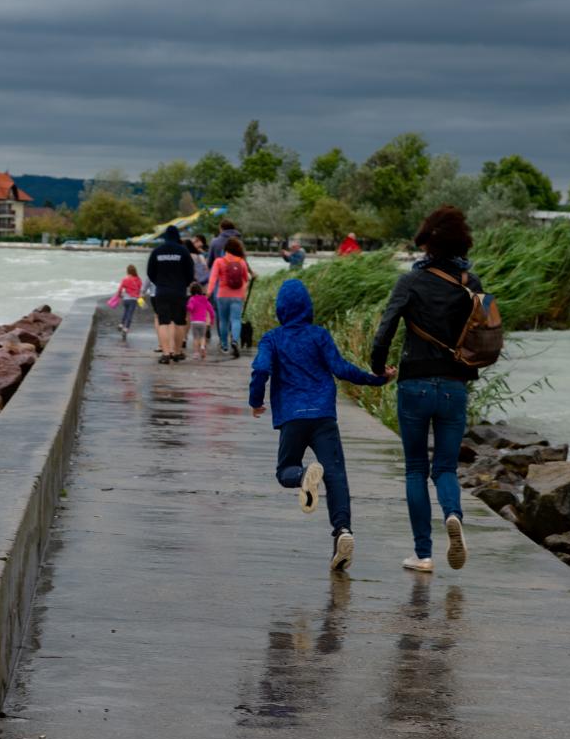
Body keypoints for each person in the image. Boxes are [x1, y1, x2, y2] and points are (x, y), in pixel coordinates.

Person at [251, 278, 394, 571]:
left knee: (284, 470)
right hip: (323, 416)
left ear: (280, 309)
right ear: (308, 307)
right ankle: (343, 531)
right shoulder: (319, 335)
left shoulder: (272, 338)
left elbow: (261, 368)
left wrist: (255, 399)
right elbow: (341, 369)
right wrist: (377, 379)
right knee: (336, 475)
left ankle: (304, 476)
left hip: (293, 417)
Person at [370, 205, 483, 574]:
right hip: (454, 386)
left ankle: (423, 554)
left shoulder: (410, 282)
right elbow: (486, 333)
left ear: (426, 244)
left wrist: (377, 368)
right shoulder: (472, 283)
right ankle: (453, 514)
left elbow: (384, 330)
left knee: (416, 469)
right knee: (446, 468)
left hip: (414, 383)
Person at [146, 225, 195, 364]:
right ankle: (177, 352)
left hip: (161, 291)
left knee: (163, 322)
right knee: (179, 322)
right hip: (179, 291)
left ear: (165, 236)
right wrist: (183, 284)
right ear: (177, 236)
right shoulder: (183, 251)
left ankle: (166, 353)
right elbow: (190, 273)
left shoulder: (157, 252)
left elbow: (150, 273)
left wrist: (160, 283)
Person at [207, 235, 255, 358]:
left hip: (222, 295)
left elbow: (212, 279)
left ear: (226, 249)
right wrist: (243, 293)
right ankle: (234, 340)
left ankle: (224, 345)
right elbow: (245, 279)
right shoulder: (242, 262)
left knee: (223, 320)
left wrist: (208, 292)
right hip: (237, 295)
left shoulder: (219, 261)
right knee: (236, 320)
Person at [186, 282, 216, 359]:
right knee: (203, 337)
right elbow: (211, 311)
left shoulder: (192, 299)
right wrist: (212, 320)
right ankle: (202, 347)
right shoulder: (205, 299)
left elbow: (190, 308)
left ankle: (196, 353)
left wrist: (187, 307)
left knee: (196, 338)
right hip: (203, 322)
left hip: (194, 322)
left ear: (191, 291)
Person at [115, 264, 143, 335]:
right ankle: (126, 328)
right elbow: (140, 289)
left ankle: (121, 324)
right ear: (135, 271)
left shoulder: (125, 279)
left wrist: (119, 295)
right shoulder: (138, 279)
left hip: (125, 299)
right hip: (133, 299)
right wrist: (139, 298)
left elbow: (120, 289)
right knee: (130, 314)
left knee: (125, 312)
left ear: (127, 271)